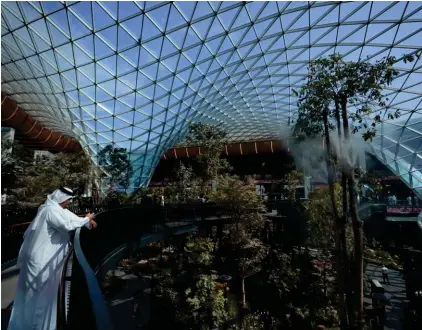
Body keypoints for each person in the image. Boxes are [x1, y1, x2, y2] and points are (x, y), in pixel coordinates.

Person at [8, 187, 97, 330]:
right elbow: (66, 225)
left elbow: (72, 218)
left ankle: (38, 324)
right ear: (62, 199)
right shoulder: (50, 211)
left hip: (45, 259)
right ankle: (36, 326)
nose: (69, 203)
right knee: (40, 295)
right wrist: (87, 219)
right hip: (42, 260)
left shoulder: (55, 209)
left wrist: (86, 222)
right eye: (68, 200)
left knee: (43, 294)